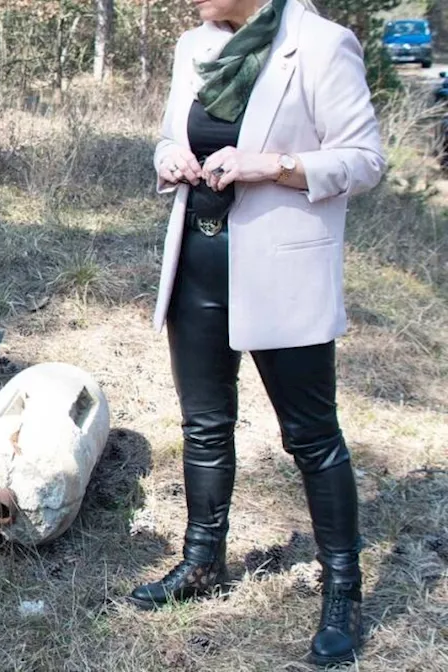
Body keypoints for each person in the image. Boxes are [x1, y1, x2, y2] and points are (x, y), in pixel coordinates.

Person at [127, 0, 385, 667]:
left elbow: (362, 159)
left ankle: (343, 593)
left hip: (282, 272)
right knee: (204, 425)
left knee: (312, 438)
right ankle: (202, 562)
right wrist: (171, 161)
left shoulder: (322, 45)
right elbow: (168, 137)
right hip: (197, 266)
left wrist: (270, 165)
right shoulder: (195, 46)